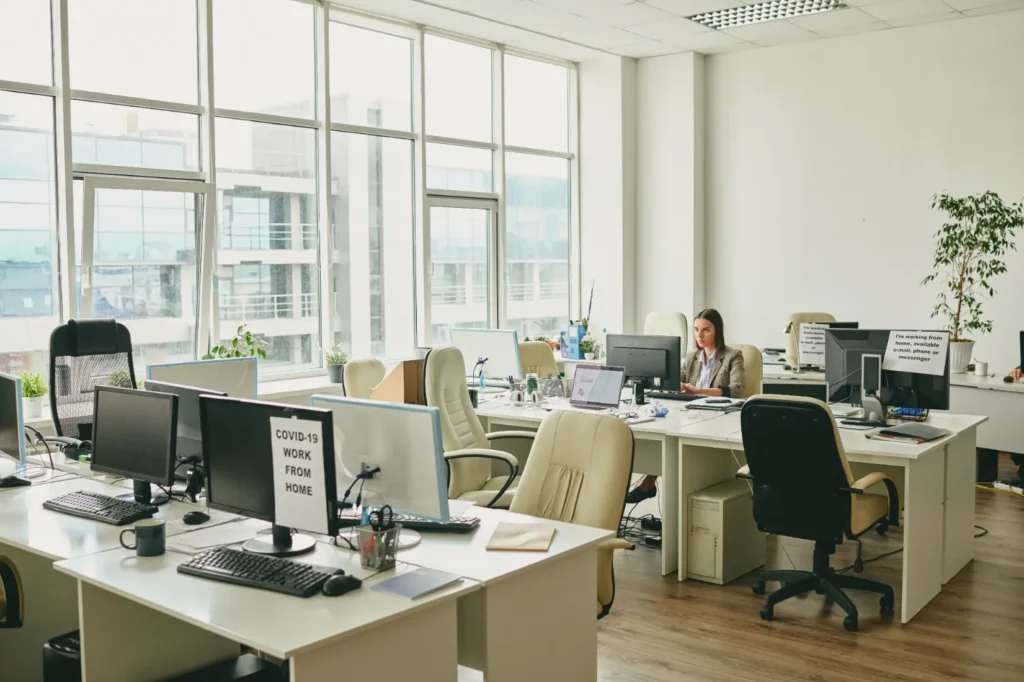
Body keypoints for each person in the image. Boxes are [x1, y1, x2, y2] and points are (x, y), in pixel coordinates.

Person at [626, 308, 746, 504]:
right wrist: (671, 385)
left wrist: (698, 390)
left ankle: (648, 483)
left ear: (717, 331)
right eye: (697, 329)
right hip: (691, 414)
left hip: (719, 415)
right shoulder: (691, 357)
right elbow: (674, 381)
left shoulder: (733, 356)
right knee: (663, 434)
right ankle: (650, 481)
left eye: (706, 330)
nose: (699, 335)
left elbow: (737, 389)